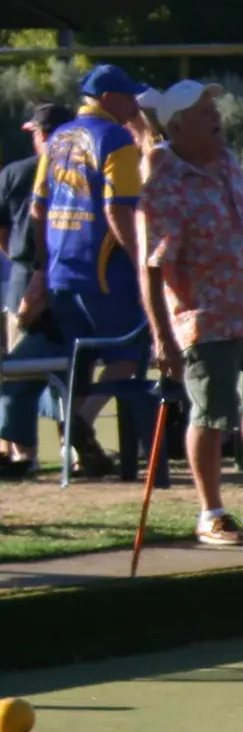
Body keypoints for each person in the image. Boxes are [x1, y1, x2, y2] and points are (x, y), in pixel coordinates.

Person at [137, 81, 243, 547]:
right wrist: (163, 338)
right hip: (206, 318)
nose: (216, 115)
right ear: (177, 126)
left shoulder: (228, 163)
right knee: (210, 416)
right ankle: (211, 512)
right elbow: (153, 269)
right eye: (203, 110)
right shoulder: (164, 186)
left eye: (214, 107)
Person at [18, 65, 152, 481]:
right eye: (129, 97)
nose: (134, 105)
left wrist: (46, 258)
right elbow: (118, 208)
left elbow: (39, 207)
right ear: (108, 97)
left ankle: (73, 452)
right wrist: (140, 257)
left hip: (62, 272)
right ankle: (82, 422)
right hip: (107, 272)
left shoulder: (58, 137)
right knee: (127, 356)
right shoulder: (115, 138)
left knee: (80, 360)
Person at [0, 102, 69, 479]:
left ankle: (21, 454)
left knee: (18, 370)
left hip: (24, 278)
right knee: (67, 369)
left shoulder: (14, 174)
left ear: (40, 134)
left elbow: (3, 232)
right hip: (70, 279)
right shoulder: (78, 173)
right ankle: (71, 447)